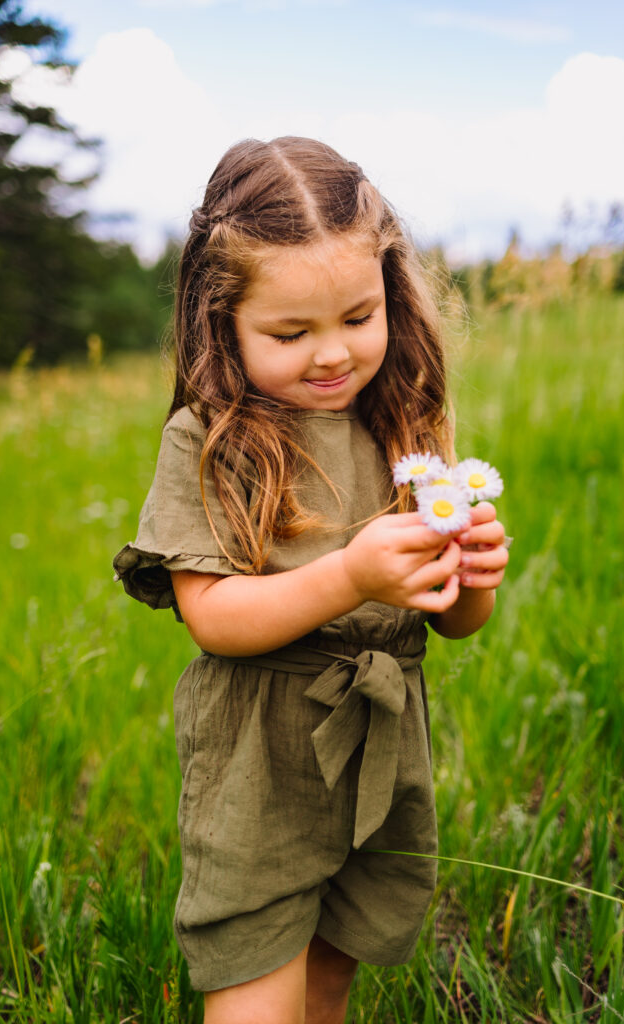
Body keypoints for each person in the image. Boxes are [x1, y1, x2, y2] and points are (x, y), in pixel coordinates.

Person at [113, 136, 509, 1024]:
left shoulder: (406, 420)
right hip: (261, 755)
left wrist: (471, 574)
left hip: (381, 746)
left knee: (331, 969)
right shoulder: (211, 440)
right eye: (290, 334)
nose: (332, 355)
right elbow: (211, 616)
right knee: (255, 968)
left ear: (391, 295)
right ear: (223, 324)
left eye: (358, 318)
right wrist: (351, 575)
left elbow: (454, 624)